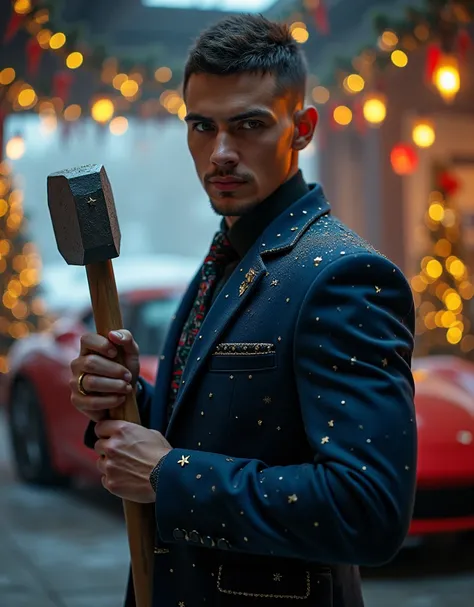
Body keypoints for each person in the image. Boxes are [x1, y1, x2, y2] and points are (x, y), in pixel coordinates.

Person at [70, 13, 417, 607]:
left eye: (248, 125)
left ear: (301, 128)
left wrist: (168, 476)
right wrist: (128, 395)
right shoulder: (230, 252)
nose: (221, 152)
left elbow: (369, 509)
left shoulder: (343, 276)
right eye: (202, 126)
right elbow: (223, 432)